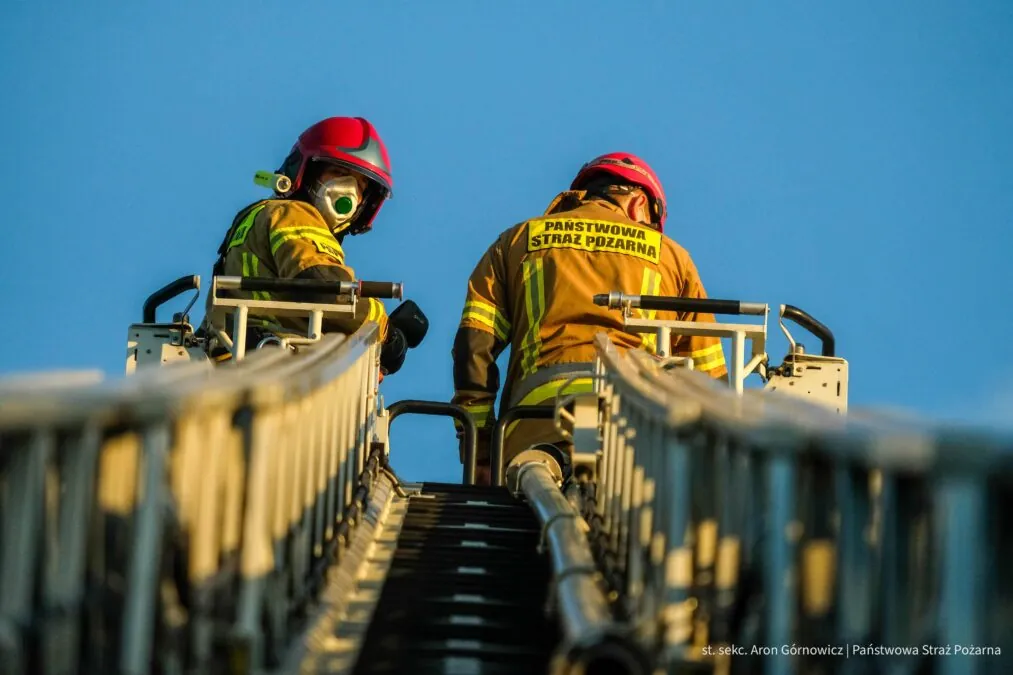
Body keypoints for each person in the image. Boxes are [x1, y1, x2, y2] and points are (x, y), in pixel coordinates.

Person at [451, 152, 728, 484]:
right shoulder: (672, 257)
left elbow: (474, 347)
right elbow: (710, 380)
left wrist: (480, 449)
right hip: (639, 435)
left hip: (531, 432)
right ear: (639, 204)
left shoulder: (518, 241)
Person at [209, 116, 410, 373]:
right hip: (273, 366)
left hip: (234, 359)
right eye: (339, 173)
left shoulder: (261, 214)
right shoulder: (296, 214)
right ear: (308, 173)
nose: (349, 190)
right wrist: (384, 329)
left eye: (360, 185)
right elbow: (326, 290)